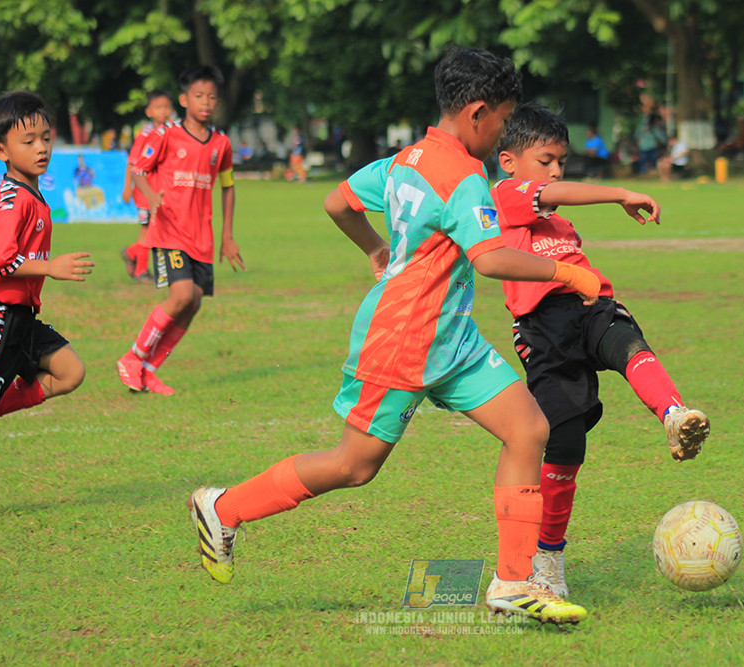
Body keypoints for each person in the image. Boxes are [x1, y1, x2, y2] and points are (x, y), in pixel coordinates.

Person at [187, 48, 601, 625]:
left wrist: (377, 250)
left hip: (450, 338)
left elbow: (338, 202)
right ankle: (223, 506)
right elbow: (489, 259)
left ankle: (512, 582)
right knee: (355, 466)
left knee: (529, 428)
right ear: (478, 113)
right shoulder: (463, 176)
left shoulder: (409, 158)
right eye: (504, 119)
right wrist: (568, 271)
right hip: (404, 338)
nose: (505, 130)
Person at [491, 102, 710, 598]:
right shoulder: (506, 194)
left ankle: (674, 415)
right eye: (545, 160)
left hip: (588, 303)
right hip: (542, 328)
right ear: (509, 162)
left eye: (561, 161)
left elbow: (560, 200)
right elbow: (557, 193)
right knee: (566, 445)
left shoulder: (558, 223)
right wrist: (620, 193)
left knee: (627, 342)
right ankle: (546, 559)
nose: (554, 171)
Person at [0, 90, 94, 470]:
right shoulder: (17, 201)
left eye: (46, 137)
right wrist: (49, 267)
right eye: (28, 141)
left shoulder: (23, 195)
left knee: (70, 371)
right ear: (1, 151)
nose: (41, 147)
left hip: (20, 317)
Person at [116, 65, 245, 396]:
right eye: (199, 96)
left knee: (195, 302)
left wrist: (228, 236)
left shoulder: (221, 143)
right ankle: (133, 357)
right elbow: (140, 170)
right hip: (171, 231)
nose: (206, 103)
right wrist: (151, 195)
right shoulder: (165, 135)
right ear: (184, 99)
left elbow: (228, 187)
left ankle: (149, 370)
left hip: (202, 236)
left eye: (211, 97)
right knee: (182, 296)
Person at [121, 89, 174, 283]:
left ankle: (132, 253)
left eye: (167, 107)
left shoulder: (173, 134)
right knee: (147, 230)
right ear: (149, 111)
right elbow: (132, 162)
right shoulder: (145, 135)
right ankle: (141, 270)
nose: (164, 111)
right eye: (158, 107)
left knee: (157, 230)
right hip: (145, 193)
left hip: (162, 192)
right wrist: (127, 187)